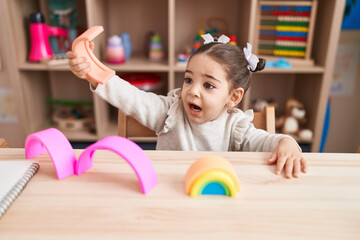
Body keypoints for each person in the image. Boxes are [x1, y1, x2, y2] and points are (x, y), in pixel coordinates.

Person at [66, 33, 307, 178]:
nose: (192, 90)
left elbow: (265, 142)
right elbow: (133, 99)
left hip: (213, 197)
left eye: (208, 85)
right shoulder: (170, 112)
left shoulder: (236, 126)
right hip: (165, 193)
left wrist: (286, 142)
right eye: (189, 79)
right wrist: (94, 74)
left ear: (233, 97)